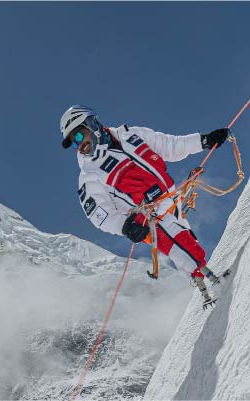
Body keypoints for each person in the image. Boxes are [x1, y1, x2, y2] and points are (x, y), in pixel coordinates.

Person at [60, 105, 229, 306]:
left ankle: (203, 295)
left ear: (92, 124)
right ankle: (215, 284)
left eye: (78, 137)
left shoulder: (131, 135)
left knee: (185, 239)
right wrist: (124, 226)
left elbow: (170, 146)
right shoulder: (90, 176)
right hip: (146, 218)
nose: (79, 146)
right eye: (72, 143)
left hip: (171, 200)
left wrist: (204, 141)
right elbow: (99, 215)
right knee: (180, 244)